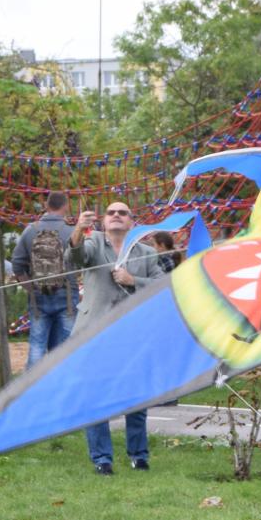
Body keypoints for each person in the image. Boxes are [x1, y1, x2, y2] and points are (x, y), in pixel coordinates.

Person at [70, 201, 167, 473]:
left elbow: (162, 287)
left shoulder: (146, 253)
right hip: (94, 332)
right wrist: (78, 229)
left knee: (135, 398)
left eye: (122, 213)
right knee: (95, 397)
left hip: (133, 334)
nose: (116, 216)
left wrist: (132, 280)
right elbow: (76, 256)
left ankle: (139, 455)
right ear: (103, 221)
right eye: (111, 212)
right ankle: (102, 460)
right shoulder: (92, 243)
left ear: (131, 222)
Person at [12, 191, 78, 368]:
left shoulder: (30, 230)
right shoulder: (71, 231)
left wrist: (30, 286)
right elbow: (81, 260)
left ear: (47, 206)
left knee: (37, 345)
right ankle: (62, 386)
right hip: (67, 296)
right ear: (65, 206)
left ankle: (31, 389)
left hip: (38, 297)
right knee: (65, 347)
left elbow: (17, 264)